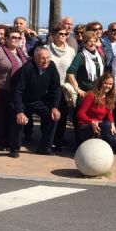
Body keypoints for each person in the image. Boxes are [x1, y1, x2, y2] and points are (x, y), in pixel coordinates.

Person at [10, 46, 62, 157]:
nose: (46, 61)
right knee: (19, 120)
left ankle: (44, 147)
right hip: (22, 100)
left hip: (38, 100)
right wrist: (20, 111)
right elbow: (17, 91)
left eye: (47, 58)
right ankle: (14, 149)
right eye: (42, 58)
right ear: (35, 58)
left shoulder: (51, 66)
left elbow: (56, 88)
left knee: (53, 116)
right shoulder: (27, 68)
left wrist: (54, 107)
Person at [0, 26, 28, 150]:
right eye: (13, 37)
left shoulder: (21, 52)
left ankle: (11, 141)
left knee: (12, 117)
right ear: (7, 39)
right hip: (1, 89)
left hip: (16, 91)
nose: (16, 40)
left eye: (18, 37)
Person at [47, 22, 76, 151]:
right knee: (49, 115)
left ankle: (59, 139)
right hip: (49, 88)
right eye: (61, 34)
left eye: (66, 34)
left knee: (63, 116)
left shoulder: (70, 51)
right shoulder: (47, 49)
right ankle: (48, 139)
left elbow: (73, 70)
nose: (64, 36)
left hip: (65, 88)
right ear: (53, 35)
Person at [76, 72, 116, 150]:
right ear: (101, 83)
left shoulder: (109, 97)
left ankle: (98, 148)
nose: (108, 86)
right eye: (106, 83)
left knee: (115, 140)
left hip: (99, 127)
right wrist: (92, 121)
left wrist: (112, 124)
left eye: (110, 84)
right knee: (106, 125)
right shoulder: (91, 95)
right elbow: (80, 113)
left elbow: (109, 114)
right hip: (86, 126)